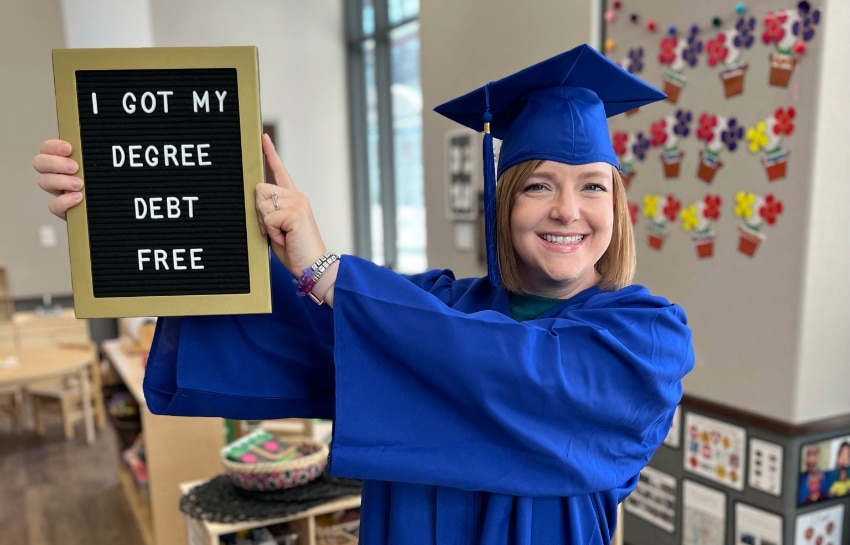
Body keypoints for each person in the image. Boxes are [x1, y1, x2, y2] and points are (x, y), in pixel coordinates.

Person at [34, 44, 694, 545]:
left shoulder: (644, 337)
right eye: (539, 185)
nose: (567, 210)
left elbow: (524, 370)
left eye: (592, 186)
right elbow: (291, 323)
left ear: (619, 207)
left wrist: (331, 273)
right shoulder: (440, 307)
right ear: (504, 202)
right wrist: (130, 214)